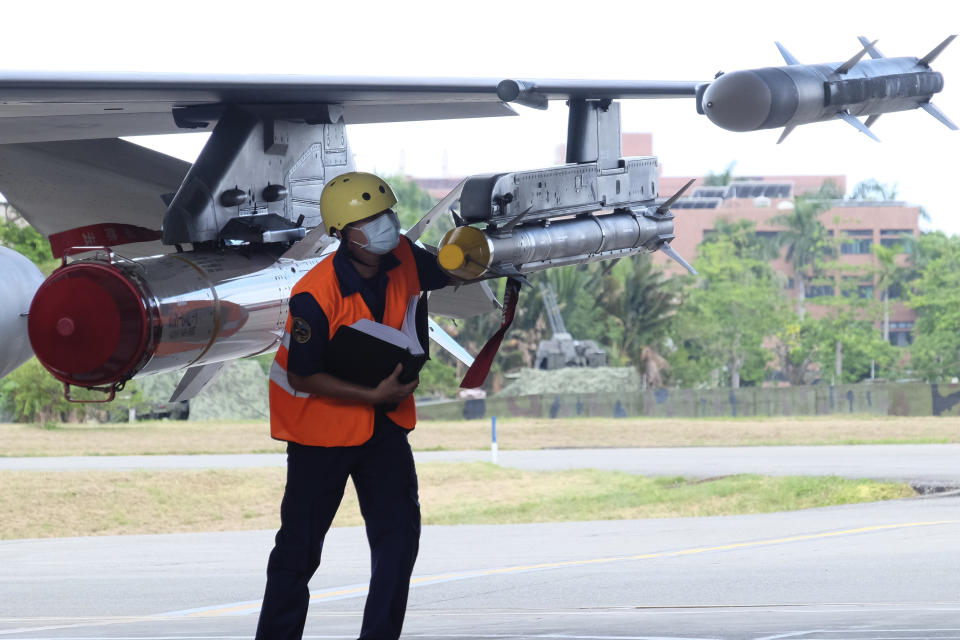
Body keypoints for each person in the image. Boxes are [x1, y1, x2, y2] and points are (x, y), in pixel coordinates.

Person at [257, 172, 451, 640]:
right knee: (299, 552)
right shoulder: (314, 296)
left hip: (382, 427)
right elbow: (303, 374)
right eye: (370, 221)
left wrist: (478, 248)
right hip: (319, 434)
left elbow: (448, 269)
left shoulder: (402, 254)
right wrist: (373, 395)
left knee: (399, 542)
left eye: (387, 214)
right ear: (343, 235)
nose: (385, 226)